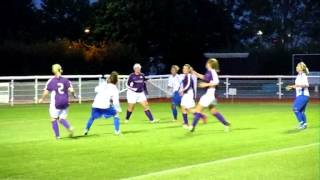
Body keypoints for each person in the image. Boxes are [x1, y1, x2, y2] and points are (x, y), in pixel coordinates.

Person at [190, 58, 231, 132]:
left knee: (197, 110)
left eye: (207, 62)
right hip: (211, 95)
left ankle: (192, 126)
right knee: (213, 112)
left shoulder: (212, 72)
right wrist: (194, 72)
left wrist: (206, 84)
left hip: (209, 95)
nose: (206, 63)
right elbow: (204, 77)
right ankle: (226, 123)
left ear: (210, 64)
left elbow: (216, 82)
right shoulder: (209, 72)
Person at [39, 64, 76, 139]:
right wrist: (74, 95)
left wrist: (41, 99)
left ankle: (57, 136)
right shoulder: (66, 80)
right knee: (62, 119)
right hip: (65, 102)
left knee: (53, 119)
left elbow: (46, 92)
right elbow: (71, 90)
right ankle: (69, 127)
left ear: (53, 70)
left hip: (56, 103)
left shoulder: (51, 80)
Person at [179, 64, 207, 129]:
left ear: (189, 70)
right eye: (183, 68)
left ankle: (200, 116)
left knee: (188, 109)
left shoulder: (189, 76)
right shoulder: (185, 76)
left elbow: (188, 85)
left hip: (189, 94)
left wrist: (182, 90)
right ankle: (187, 123)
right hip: (186, 94)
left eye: (185, 69)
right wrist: (182, 91)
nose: (184, 70)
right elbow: (185, 85)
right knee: (184, 107)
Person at [286, 62, 310, 130]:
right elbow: (298, 85)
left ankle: (301, 124)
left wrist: (296, 86)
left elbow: (306, 85)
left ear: (301, 68)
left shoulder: (303, 75)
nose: (296, 67)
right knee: (301, 111)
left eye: (298, 66)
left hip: (303, 95)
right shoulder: (299, 75)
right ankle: (304, 125)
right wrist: (291, 87)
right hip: (303, 95)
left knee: (295, 109)